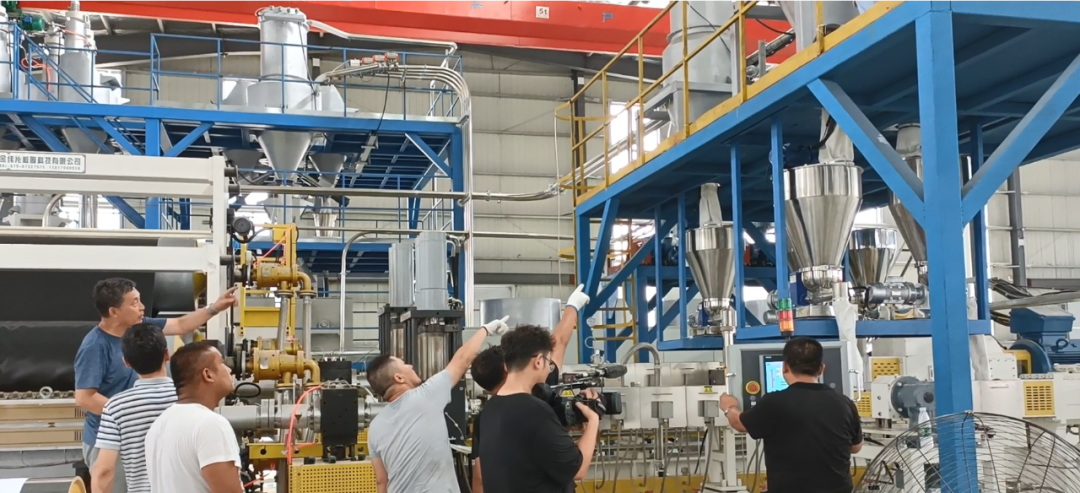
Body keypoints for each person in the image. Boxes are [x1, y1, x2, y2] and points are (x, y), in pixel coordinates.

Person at [74, 277, 237, 492]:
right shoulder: (94, 346)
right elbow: (85, 398)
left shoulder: (141, 328)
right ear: (114, 311)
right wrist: (130, 413)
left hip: (143, 428)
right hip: (109, 438)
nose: (142, 307)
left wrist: (215, 307)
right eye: (134, 303)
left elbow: (180, 325)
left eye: (140, 300)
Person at [365, 316, 511, 493]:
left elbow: (381, 481)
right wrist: (486, 329)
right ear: (399, 378)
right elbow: (462, 359)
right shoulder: (425, 396)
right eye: (404, 364)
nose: (410, 365)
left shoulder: (375, 427)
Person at [468, 285, 589, 493]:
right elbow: (559, 342)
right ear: (507, 368)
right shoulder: (539, 395)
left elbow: (479, 478)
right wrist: (572, 306)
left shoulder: (486, 416)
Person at [719, 337, 863, 493]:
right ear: (821, 369)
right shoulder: (845, 403)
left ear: (785, 367)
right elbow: (855, 447)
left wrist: (729, 407)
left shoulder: (774, 402)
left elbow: (739, 423)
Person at [477, 325, 600, 493]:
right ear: (539, 361)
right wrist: (593, 421)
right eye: (549, 363)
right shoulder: (537, 411)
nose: (549, 369)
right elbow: (577, 470)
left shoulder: (489, 411)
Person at [144, 341, 242, 493]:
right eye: (222, 363)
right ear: (208, 374)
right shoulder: (210, 424)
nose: (229, 369)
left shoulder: (158, 425)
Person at [91, 323, 177, 493]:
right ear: (167, 355)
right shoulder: (187, 398)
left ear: (126, 362)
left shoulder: (115, 407)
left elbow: (104, 471)